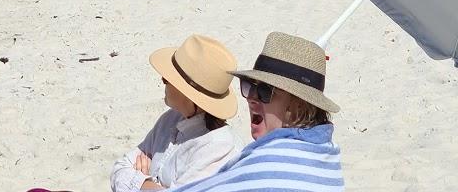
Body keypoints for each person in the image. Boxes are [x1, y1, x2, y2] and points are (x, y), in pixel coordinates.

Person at [172, 32, 343, 191]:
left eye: (264, 91)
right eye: (249, 86)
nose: (250, 97)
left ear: (298, 107)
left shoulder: (270, 165)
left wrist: (145, 181)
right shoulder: (326, 155)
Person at [109, 34, 241, 192]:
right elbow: (119, 170)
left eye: (167, 78)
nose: (162, 80)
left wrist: (142, 182)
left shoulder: (218, 146)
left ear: (187, 93)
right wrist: (155, 187)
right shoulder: (170, 120)